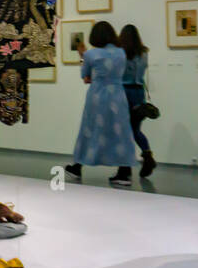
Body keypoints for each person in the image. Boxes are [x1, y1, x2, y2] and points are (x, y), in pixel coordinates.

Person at [65, 20, 138, 187]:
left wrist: (82, 57)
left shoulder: (91, 54)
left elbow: (86, 78)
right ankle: (124, 172)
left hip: (97, 96)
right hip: (118, 95)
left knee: (90, 129)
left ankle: (78, 166)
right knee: (121, 132)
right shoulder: (121, 53)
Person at [119, 23, 156, 178]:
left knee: (124, 131)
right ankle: (147, 156)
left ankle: (125, 167)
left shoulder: (121, 54)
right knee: (135, 129)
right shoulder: (144, 53)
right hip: (139, 92)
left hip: (124, 92)